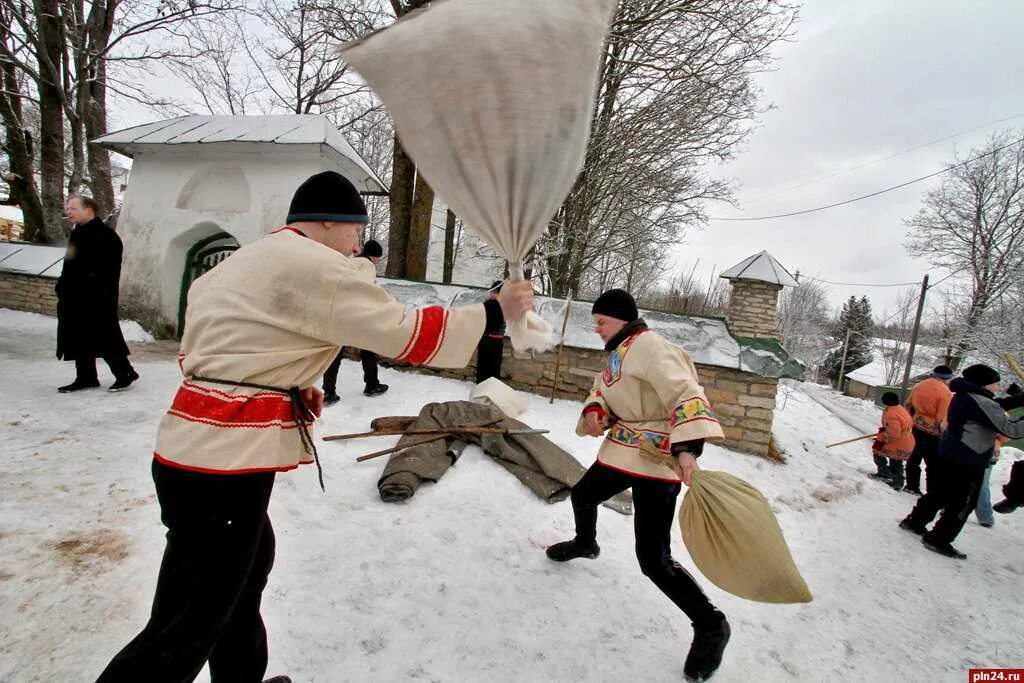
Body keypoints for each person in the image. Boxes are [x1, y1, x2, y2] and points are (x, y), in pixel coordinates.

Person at [95, 171, 534, 682]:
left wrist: (285, 383)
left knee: (245, 572)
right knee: (187, 619)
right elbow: (404, 335)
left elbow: (210, 354)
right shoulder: (318, 267)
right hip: (222, 464)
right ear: (329, 220)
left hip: (193, 452)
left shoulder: (237, 264)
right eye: (355, 230)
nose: (356, 243)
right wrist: (491, 310)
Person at [544, 289, 729, 683]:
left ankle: (711, 626)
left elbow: (687, 393)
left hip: (656, 460)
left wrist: (687, 449)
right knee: (584, 494)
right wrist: (597, 410)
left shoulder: (651, 347)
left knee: (653, 559)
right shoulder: (621, 349)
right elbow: (604, 389)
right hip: (621, 450)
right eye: (595, 322)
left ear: (622, 318)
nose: (595, 328)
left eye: (601, 322)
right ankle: (585, 543)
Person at [899, 364, 1024, 559]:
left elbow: (994, 406)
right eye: (995, 383)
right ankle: (939, 539)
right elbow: (1012, 430)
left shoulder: (964, 394)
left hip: (951, 452)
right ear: (984, 384)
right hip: (969, 458)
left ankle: (914, 522)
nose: (997, 387)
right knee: (963, 502)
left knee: (939, 493)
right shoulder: (981, 402)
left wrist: (1019, 400)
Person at [55, 195, 139, 393]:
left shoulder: (106, 236)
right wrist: (62, 286)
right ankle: (86, 377)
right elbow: (70, 264)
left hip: (97, 297)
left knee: (105, 335)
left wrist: (92, 290)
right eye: (69, 208)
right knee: (77, 334)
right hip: (75, 296)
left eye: (74, 208)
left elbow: (107, 271)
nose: (69, 212)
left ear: (89, 210)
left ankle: (125, 373)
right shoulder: (78, 234)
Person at [321, 239, 388, 404]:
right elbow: (364, 288)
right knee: (368, 349)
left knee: (335, 353)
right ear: (376, 256)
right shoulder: (367, 266)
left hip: (338, 312)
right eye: (379, 257)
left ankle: (328, 393)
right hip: (357, 313)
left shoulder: (350, 262)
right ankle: (372, 385)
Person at [902, 365, 953, 495]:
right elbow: (943, 417)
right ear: (947, 378)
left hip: (915, 426)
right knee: (933, 464)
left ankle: (911, 485)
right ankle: (932, 491)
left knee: (913, 458)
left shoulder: (919, 386)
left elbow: (908, 405)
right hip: (932, 433)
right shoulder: (945, 392)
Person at [870, 392, 914, 490]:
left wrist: (881, 438)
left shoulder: (891, 414)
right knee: (896, 460)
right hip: (907, 439)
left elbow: (894, 433)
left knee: (878, 452)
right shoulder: (900, 409)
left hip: (899, 441)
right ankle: (897, 481)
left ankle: (886, 474)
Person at [475, 280, 506, 384]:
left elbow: (496, 322)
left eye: (494, 292)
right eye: (491, 292)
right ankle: (480, 384)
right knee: (482, 364)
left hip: (496, 340)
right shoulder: (487, 304)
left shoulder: (504, 306)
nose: (491, 294)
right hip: (485, 338)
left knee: (494, 366)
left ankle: (492, 386)